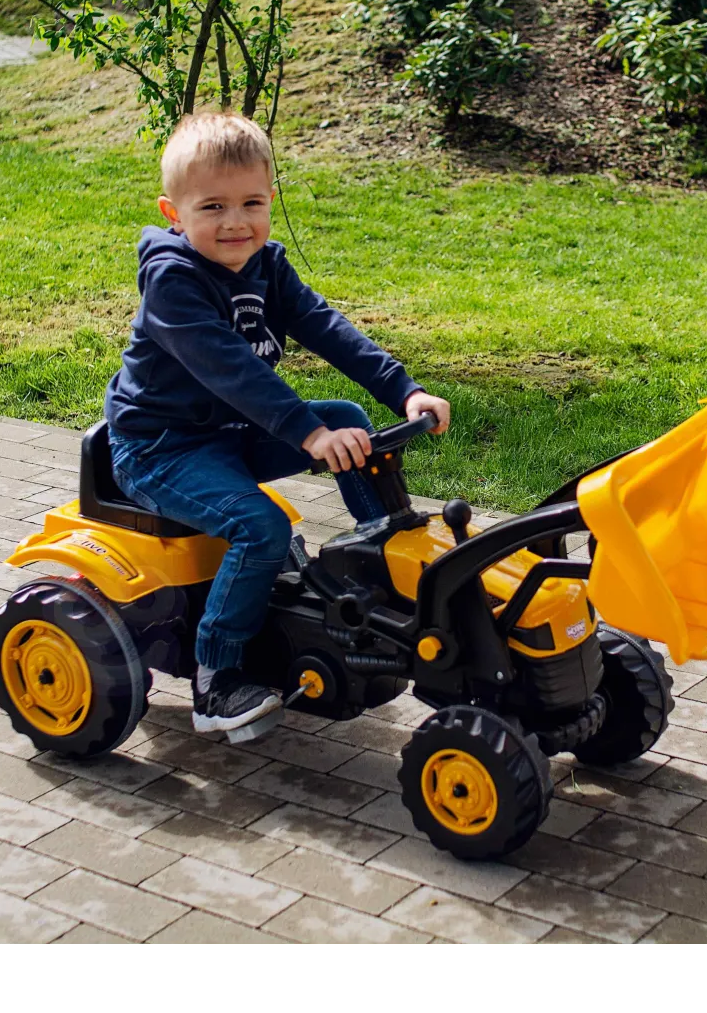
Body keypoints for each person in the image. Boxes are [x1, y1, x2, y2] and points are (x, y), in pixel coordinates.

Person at [105, 110, 450, 735]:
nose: (235, 222)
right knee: (260, 525)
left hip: (230, 432)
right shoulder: (172, 282)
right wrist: (308, 434)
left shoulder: (266, 264)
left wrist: (405, 390)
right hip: (161, 448)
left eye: (251, 203)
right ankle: (217, 679)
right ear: (173, 214)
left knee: (349, 420)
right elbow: (233, 369)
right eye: (212, 207)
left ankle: (381, 554)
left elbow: (325, 327)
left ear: (271, 199)